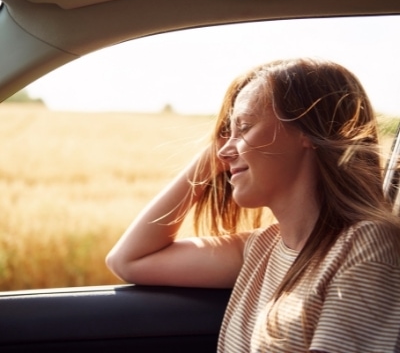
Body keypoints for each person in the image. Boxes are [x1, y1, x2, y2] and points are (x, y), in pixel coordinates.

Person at [106, 57, 400, 352]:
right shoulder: (262, 249)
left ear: (309, 132)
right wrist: (209, 161)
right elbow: (128, 260)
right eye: (226, 135)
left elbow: (129, 261)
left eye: (244, 126)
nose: (224, 150)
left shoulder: (365, 246)